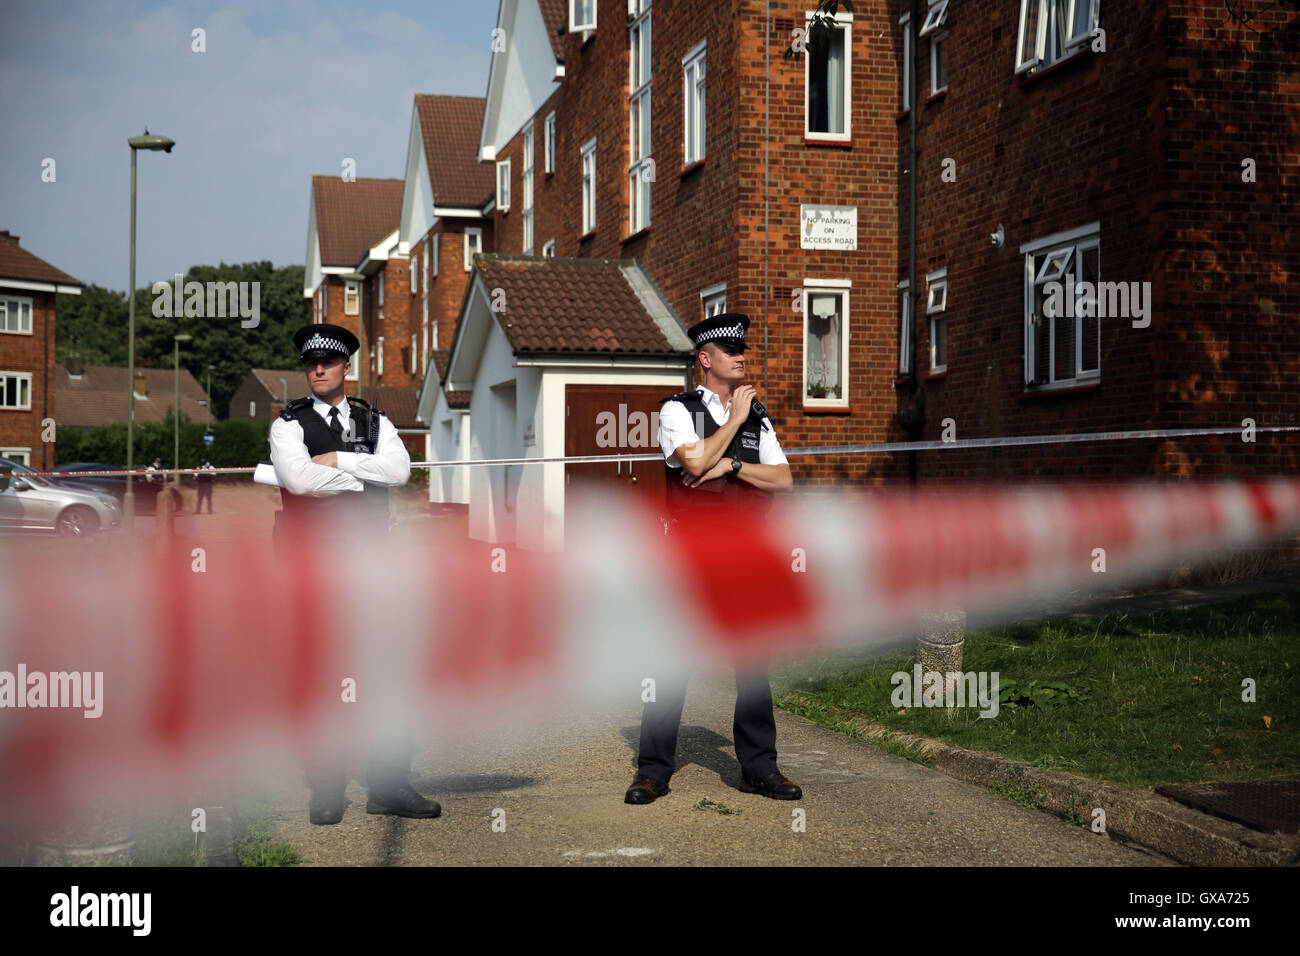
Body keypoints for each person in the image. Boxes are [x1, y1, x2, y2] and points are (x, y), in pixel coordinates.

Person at [625, 312, 802, 805]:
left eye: (742, 349)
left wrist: (736, 464)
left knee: (751, 667)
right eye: (730, 351)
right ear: (706, 359)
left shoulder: (758, 414)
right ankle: (653, 771)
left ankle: (758, 768)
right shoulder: (676, 411)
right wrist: (734, 426)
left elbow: (783, 480)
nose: (742, 355)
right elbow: (695, 462)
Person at [269, 322, 441, 826]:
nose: (317, 369)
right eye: (310, 363)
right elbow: (299, 482)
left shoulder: (375, 420)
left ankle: (389, 785)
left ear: (347, 367)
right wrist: (361, 476)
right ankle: (325, 789)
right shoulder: (288, 424)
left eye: (327, 362)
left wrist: (339, 459)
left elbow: (401, 472)